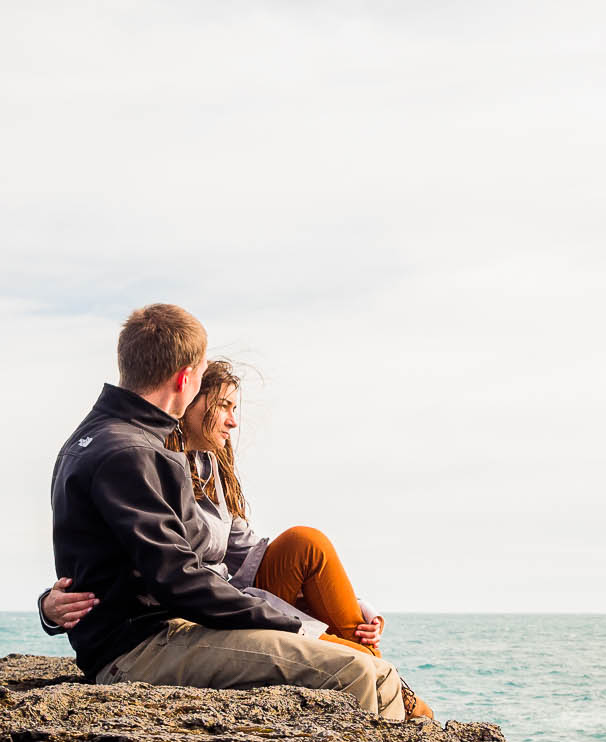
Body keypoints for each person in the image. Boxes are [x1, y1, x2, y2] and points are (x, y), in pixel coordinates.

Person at [44, 303, 421, 720]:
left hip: (156, 630)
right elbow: (179, 579)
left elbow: (105, 554)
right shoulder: (131, 452)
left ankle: (405, 741)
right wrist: (294, 625)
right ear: (185, 378)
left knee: (374, 670)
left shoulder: (100, 438)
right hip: (141, 647)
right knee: (357, 672)